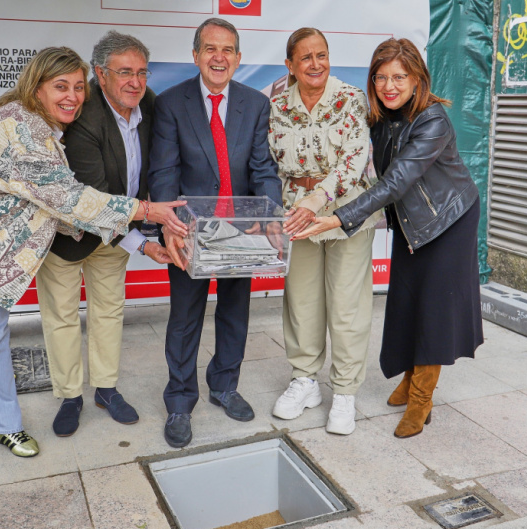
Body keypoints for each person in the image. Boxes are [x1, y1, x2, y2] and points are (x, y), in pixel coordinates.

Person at [0, 47, 187, 469]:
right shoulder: (22, 126)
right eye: (61, 87)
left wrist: (140, 243)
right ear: (36, 87)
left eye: (77, 87)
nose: (73, 96)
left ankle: (1, 423)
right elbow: (69, 199)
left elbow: (56, 209)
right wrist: (146, 212)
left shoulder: (48, 128)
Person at [293, 37, 483, 439]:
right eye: (381, 77)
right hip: (412, 223)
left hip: (447, 220)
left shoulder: (432, 120)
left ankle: (421, 398)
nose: (389, 86)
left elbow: (396, 181)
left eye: (399, 77)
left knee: (434, 311)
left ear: (418, 79)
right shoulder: (379, 117)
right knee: (406, 302)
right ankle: (409, 376)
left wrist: (339, 219)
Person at [149, 18, 283, 448]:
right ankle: (180, 400)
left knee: (234, 313)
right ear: (195, 55)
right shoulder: (171, 103)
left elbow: (262, 168)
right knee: (185, 319)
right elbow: (164, 173)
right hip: (191, 230)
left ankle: (224, 385)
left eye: (228, 50)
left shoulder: (254, 104)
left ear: (239, 58)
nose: (219, 57)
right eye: (210, 49)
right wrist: (170, 227)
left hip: (240, 230)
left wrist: (270, 216)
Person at [37, 31, 171, 437]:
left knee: (109, 310)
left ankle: (106, 389)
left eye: (142, 72)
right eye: (124, 72)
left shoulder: (147, 103)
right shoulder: (81, 115)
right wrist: (143, 242)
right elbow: (91, 201)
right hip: (68, 234)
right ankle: (69, 395)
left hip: (120, 228)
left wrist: (145, 230)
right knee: (61, 315)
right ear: (100, 73)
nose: (135, 81)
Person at [267, 28, 373, 435]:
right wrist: (281, 211)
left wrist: (317, 201)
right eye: (306, 57)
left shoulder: (350, 98)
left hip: (346, 214)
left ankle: (345, 392)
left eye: (322, 55)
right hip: (296, 217)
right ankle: (305, 380)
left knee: (347, 307)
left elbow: (353, 160)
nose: (315, 64)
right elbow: (270, 163)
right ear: (290, 65)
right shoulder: (276, 104)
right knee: (302, 302)